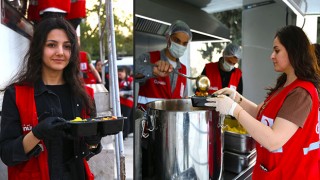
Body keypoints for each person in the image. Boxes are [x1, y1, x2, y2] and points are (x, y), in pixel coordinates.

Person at [205, 25, 320, 179]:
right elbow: (260, 112)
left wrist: (234, 110)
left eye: (277, 50)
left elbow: (273, 141)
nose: (272, 56)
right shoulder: (285, 85)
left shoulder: (301, 93)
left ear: (293, 51)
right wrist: (236, 97)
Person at [0, 17, 102, 180]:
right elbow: (7, 154)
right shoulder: (16, 94)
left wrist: (93, 142)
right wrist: (36, 134)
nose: (60, 52)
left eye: (67, 46)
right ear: (38, 48)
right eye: (52, 45)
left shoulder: (85, 94)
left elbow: (88, 151)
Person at [135, 20, 192, 108]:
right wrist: (152, 70)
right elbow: (133, 71)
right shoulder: (149, 58)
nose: (180, 45)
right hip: (147, 120)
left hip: (172, 120)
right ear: (168, 38)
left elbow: (184, 99)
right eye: (177, 40)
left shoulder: (183, 69)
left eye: (184, 43)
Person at [118, 66, 134, 139]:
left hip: (128, 102)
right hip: (121, 102)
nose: (119, 73)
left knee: (126, 118)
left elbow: (134, 91)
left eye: (121, 71)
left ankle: (125, 134)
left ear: (126, 72)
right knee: (122, 118)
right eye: (119, 71)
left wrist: (123, 93)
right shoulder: (120, 81)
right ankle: (124, 132)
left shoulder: (131, 80)